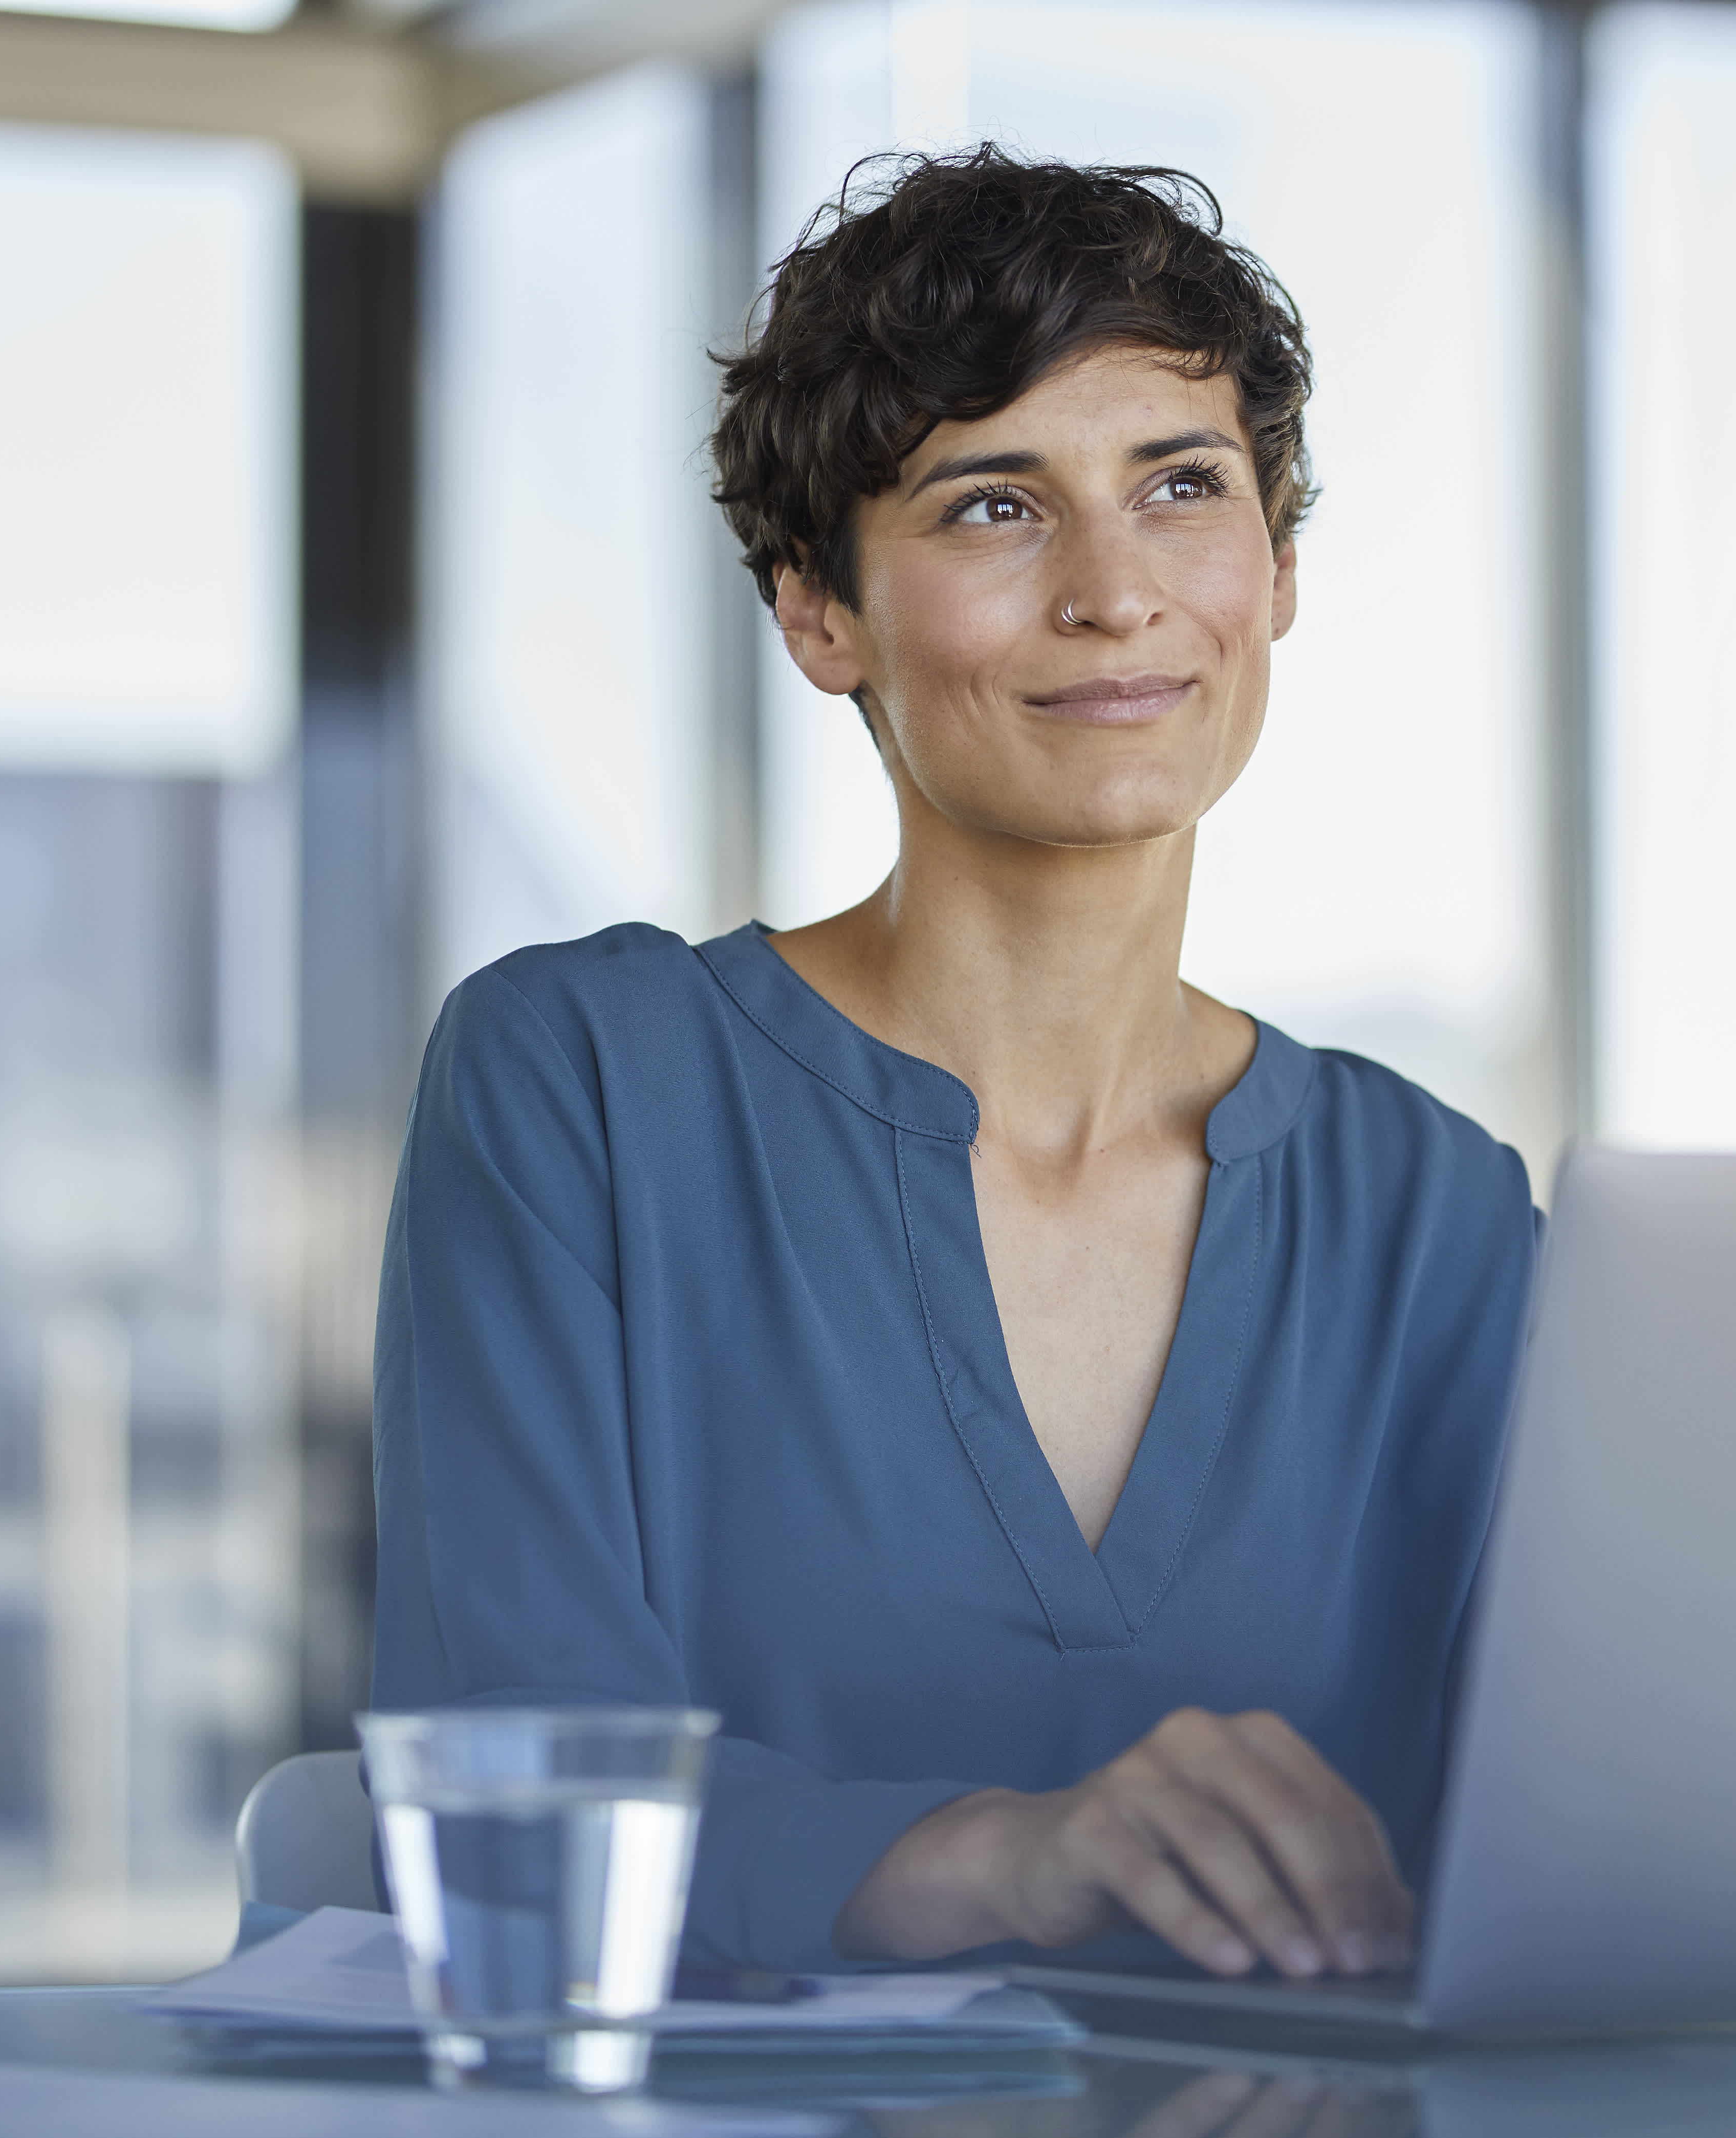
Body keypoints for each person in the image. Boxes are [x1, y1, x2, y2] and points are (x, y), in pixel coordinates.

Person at [371, 151, 1538, 1979]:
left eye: (1182, 487)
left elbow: (1567, 1826)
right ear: (819, 612)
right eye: (995, 508)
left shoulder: (1440, 1208)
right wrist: (1008, 1859)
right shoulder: (583, 1083)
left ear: (1282, 563)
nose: (1115, 594)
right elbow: (511, 1785)